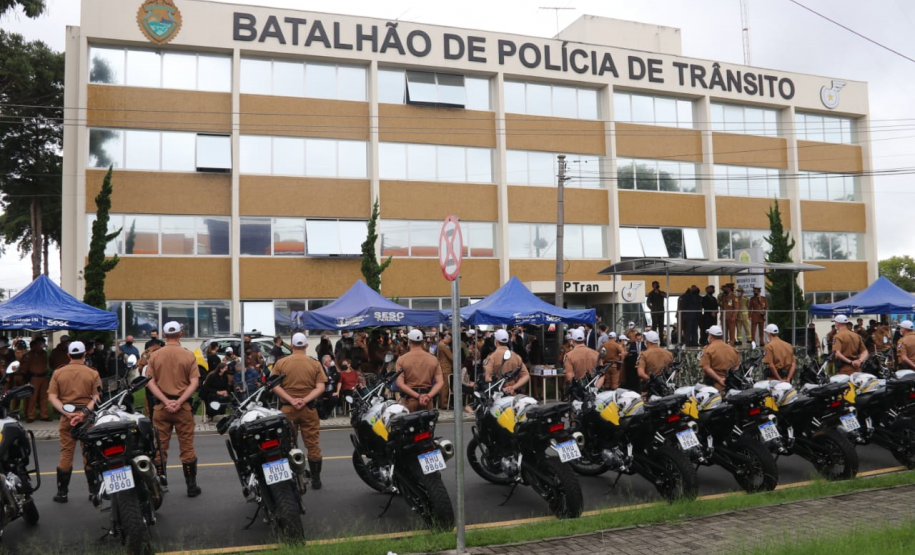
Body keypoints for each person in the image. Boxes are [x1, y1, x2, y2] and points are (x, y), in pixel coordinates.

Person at [146, 321, 202, 497]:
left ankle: (160, 483)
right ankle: (191, 487)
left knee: (159, 448)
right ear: (180, 334)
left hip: (161, 408)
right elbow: (194, 382)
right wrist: (179, 401)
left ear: (163, 335)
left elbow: (149, 381)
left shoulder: (155, 355)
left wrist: (165, 400)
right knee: (187, 446)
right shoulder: (188, 355)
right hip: (182, 407)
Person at [47, 341, 102, 504]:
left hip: (67, 419)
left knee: (66, 453)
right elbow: (97, 397)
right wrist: (84, 412)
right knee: (90, 454)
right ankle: (93, 491)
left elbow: (52, 396)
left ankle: (62, 493)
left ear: (68, 355)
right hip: (87, 419)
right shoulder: (92, 373)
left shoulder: (59, 373)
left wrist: (67, 413)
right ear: (85, 354)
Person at [272, 333, 327, 489]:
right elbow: (321, 387)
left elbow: (274, 385)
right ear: (306, 346)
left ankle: (291, 478)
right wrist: (305, 399)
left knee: (287, 444)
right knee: (312, 445)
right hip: (308, 409)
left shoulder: (281, 363)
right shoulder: (315, 364)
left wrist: (291, 400)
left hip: (288, 409)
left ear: (291, 345)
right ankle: (316, 480)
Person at [396, 329, 444, 412]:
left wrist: (418, 396)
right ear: (422, 341)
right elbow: (440, 382)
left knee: (408, 424)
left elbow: (400, 383)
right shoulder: (433, 359)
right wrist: (428, 396)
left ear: (409, 341)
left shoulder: (402, 359)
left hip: (409, 399)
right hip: (427, 400)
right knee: (427, 424)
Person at [483, 329, 530, 396]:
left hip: (496, 396)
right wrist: (513, 387)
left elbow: (488, 378)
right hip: (512, 395)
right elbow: (526, 376)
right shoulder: (516, 356)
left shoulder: (491, 357)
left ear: (496, 341)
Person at [700, 325, 741, 392]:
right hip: (730, 386)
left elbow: (706, 368)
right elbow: (737, 368)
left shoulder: (708, 350)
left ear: (710, 336)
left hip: (713, 387)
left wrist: (719, 379)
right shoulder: (733, 350)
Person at [22, 336, 50, 423]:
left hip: (43, 377)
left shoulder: (44, 353)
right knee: (33, 397)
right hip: (34, 377)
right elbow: (24, 367)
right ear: (36, 344)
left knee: (44, 397)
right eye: (40, 344)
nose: (42, 346)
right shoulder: (29, 355)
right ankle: (31, 415)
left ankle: (44, 415)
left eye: (42, 344)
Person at [435, 333, 454, 409]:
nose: (450, 341)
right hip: (445, 368)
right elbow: (451, 357)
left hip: (441, 367)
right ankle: (444, 403)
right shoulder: (444, 345)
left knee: (442, 386)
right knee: (445, 386)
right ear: (448, 338)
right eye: (450, 340)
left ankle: (440, 403)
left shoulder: (440, 344)